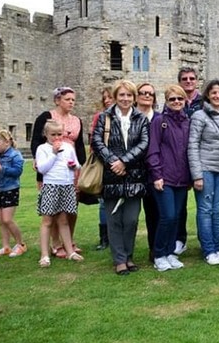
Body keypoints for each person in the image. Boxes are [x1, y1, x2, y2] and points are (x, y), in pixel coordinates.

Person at [92, 80, 149, 276]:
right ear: (116, 97)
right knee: (114, 219)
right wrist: (113, 162)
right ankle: (119, 260)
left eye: (129, 95)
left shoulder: (141, 119)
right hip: (111, 175)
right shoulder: (104, 118)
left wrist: (124, 162)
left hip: (134, 174)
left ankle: (129, 255)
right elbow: (97, 142)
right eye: (122, 95)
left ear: (134, 98)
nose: (125, 99)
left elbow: (144, 143)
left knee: (131, 219)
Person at [30, 86, 87, 258]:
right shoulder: (46, 117)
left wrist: (80, 165)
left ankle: (69, 240)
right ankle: (55, 243)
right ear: (57, 100)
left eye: (73, 100)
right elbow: (36, 141)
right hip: (50, 167)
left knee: (71, 206)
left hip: (69, 168)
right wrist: (36, 159)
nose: (71, 102)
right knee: (53, 208)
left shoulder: (76, 120)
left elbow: (79, 145)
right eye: (67, 99)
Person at [188, 79, 219, 266]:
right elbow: (192, 145)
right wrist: (197, 175)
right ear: (207, 95)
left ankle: (217, 247)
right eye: (214, 93)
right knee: (205, 210)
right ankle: (208, 249)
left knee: (218, 210)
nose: (217, 96)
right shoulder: (199, 116)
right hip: (206, 168)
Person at [147, 85, 191, 272]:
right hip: (164, 177)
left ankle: (170, 252)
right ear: (167, 101)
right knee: (167, 216)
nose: (176, 102)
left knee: (176, 217)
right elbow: (153, 150)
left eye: (180, 99)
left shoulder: (187, 122)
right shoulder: (159, 122)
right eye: (172, 99)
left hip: (181, 178)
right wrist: (157, 174)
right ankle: (159, 254)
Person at [34, 120, 84, 267]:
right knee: (47, 221)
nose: (56, 138)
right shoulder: (42, 149)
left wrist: (74, 166)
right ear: (46, 134)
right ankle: (44, 255)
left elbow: (76, 164)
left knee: (63, 220)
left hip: (66, 186)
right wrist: (54, 153)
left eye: (59, 134)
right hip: (51, 186)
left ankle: (70, 252)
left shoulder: (68, 147)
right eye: (53, 135)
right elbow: (42, 169)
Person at [0, 128, 26, 258]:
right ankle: (6, 247)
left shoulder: (15, 155)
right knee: (0, 221)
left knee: (7, 219)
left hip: (9, 189)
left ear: (7, 142)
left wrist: (0, 168)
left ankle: (21, 244)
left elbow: (17, 172)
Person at [135, 83, 163, 260]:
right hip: (133, 171)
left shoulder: (160, 118)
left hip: (154, 172)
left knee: (155, 213)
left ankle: (155, 249)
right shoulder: (129, 118)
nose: (147, 96)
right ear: (136, 96)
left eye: (150, 94)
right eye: (143, 93)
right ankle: (124, 253)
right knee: (129, 216)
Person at [90, 86, 113, 251]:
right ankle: (104, 238)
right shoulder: (100, 117)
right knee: (104, 203)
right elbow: (94, 142)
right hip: (104, 164)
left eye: (109, 97)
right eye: (104, 98)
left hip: (123, 164)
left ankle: (116, 236)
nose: (107, 101)